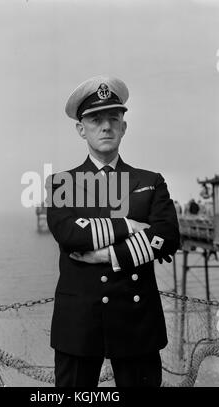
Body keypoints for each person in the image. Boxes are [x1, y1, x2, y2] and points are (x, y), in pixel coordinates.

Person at [45, 76, 180, 387]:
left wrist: (108, 255)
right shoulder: (62, 183)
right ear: (81, 129)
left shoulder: (151, 181)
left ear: (123, 127)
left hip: (136, 323)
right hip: (79, 324)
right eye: (95, 119)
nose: (105, 126)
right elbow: (69, 235)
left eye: (113, 118)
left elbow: (168, 236)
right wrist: (129, 226)